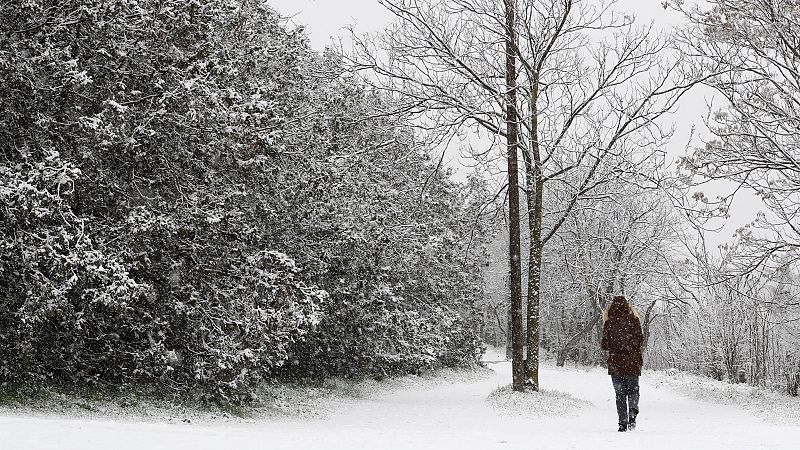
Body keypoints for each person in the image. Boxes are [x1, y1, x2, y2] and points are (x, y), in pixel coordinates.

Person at [600, 295, 644, 432]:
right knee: (633, 390)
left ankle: (622, 423)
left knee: (620, 394)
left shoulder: (609, 323)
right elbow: (640, 340)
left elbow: (605, 345)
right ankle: (632, 409)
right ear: (627, 306)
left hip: (616, 364)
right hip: (632, 362)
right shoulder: (634, 321)